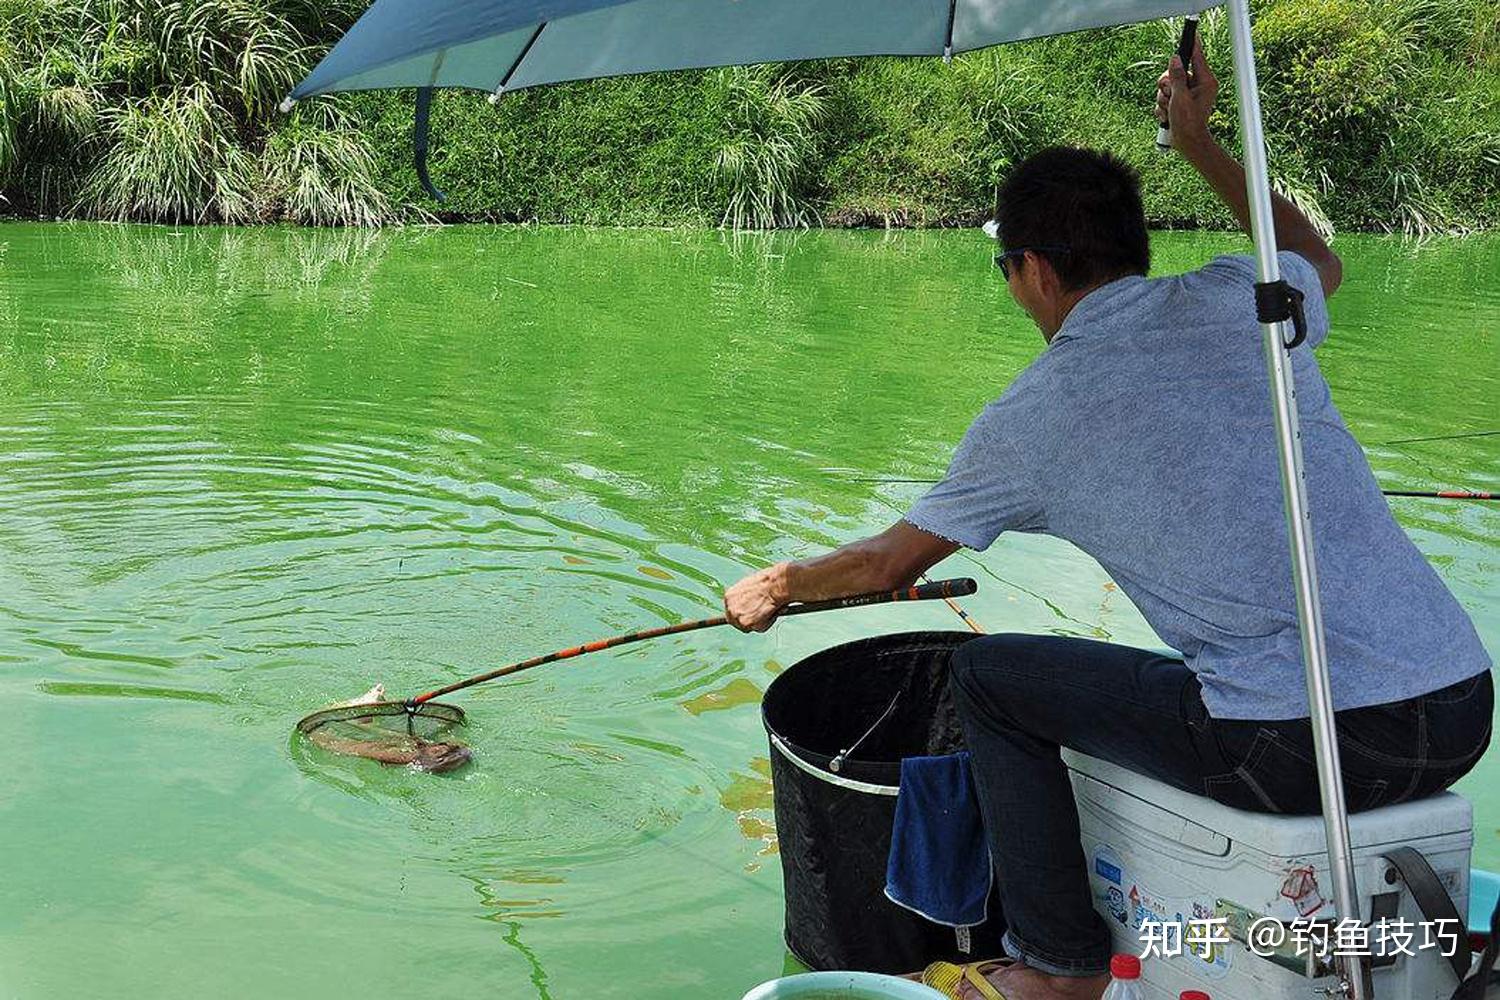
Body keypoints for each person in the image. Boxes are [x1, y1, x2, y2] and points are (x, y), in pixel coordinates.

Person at [723, 39, 1493, 1000]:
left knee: (991, 676)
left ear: (1034, 270)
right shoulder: (1239, 300)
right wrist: (1200, 144)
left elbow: (887, 565)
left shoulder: (1034, 416)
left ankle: (1059, 967)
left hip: (1297, 752)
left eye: (1006, 267)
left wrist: (777, 585)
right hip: (1458, 706)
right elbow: (1318, 258)